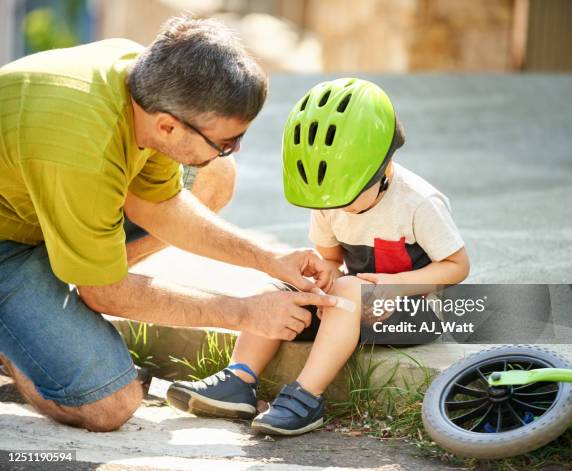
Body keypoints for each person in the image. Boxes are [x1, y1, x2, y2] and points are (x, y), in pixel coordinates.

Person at [0, 17, 337, 433]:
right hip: (6, 245)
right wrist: (245, 313)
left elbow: (161, 206)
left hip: (43, 206)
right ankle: (19, 338)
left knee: (213, 176)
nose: (233, 149)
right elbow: (105, 294)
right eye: (225, 141)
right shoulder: (81, 150)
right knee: (110, 405)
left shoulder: (146, 86)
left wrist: (269, 259)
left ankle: (74, 274)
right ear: (167, 125)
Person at [166, 78, 470, 435]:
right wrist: (321, 273)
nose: (335, 208)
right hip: (353, 304)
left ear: (384, 168)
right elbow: (332, 260)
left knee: (347, 291)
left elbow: (458, 266)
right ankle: (240, 379)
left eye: (346, 199)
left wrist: (396, 286)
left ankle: (307, 397)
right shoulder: (329, 197)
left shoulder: (418, 203)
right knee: (283, 288)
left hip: (415, 310)